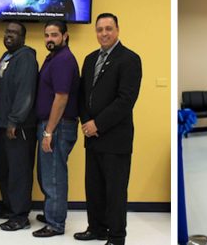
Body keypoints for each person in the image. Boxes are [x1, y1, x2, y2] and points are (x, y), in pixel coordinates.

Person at [76, 13, 143, 245]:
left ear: (117, 30)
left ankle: (116, 237)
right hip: (91, 136)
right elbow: (82, 96)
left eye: (108, 29)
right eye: (100, 29)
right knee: (93, 187)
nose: (104, 33)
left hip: (115, 139)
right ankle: (96, 228)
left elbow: (125, 100)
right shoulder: (89, 58)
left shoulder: (129, 59)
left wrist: (98, 124)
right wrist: (86, 123)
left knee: (115, 191)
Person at [32, 20, 81, 238]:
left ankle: (55, 223)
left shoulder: (63, 60)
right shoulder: (54, 58)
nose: (50, 39)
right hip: (51, 124)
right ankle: (52, 212)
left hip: (58, 126)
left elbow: (61, 98)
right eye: (47, 35)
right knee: (48, 174)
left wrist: (49, 131)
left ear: (65, 36)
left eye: (54, 35)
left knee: (54, 176)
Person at [0, 20, 39, 231]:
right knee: (5, 168)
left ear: (23, 37)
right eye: (7, 32)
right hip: (3, 124)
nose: (9, 35)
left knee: (19, 171)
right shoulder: (7, 56)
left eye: (14, 33)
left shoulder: (26, 57)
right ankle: (10, 206)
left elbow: (25, 92)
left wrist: (14, 120)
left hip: (18, 126)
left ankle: (20, 216)